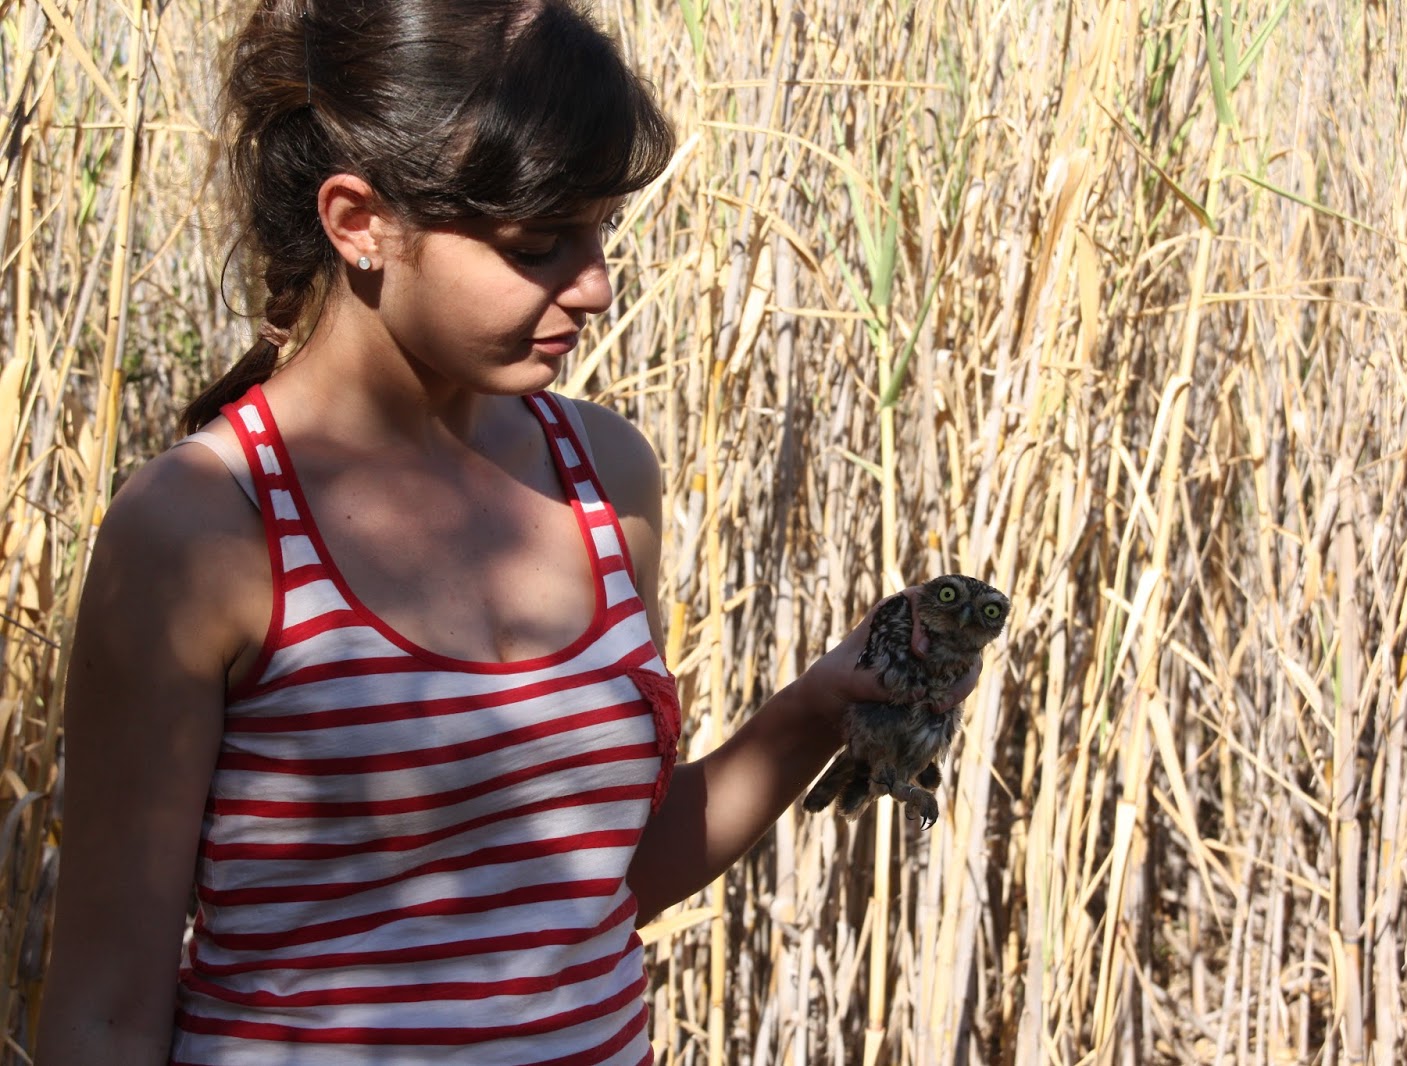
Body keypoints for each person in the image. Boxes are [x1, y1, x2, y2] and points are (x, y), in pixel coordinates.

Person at [33, 1, 977, 1063]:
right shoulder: (202, 530)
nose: (597, 285)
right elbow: (104, 1009)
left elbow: (591, 885)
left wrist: (814, 712)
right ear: (357, 221)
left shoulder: (605, 478)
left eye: (602, 232)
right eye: (537, 246)